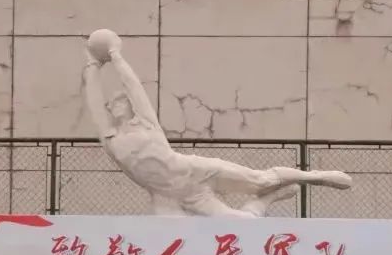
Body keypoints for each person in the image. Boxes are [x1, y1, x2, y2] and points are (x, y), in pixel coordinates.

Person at [83, 35, 352, 217]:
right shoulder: (112, 140)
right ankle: (267, 200)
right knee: (240, 227)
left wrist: (115, 55)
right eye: (112, 104)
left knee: (261, 180)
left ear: (130, 106)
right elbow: (94, 102)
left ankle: (316, 176)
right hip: (167, 197)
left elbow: (133, 86)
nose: (114, 105)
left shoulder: (145, 123)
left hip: (194, 171)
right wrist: (92, 64)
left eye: (120, 101)